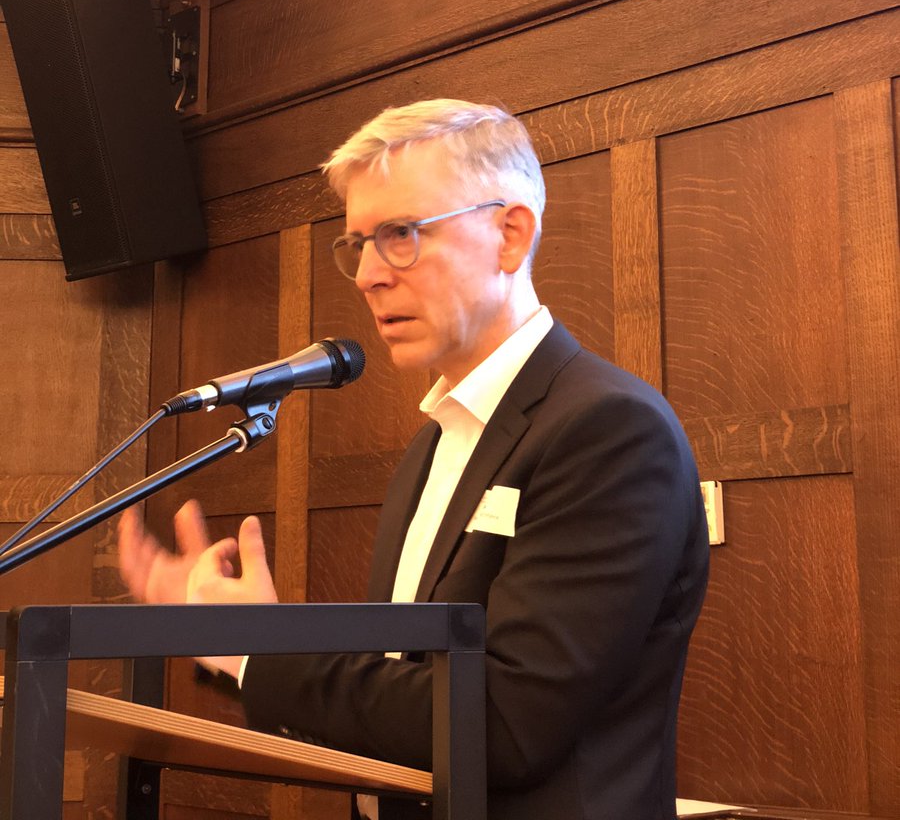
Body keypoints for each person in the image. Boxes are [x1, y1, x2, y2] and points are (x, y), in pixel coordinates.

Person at [119, 98, 709, 820]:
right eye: (358, 244)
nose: (368, 274)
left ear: (509, 235)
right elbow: (407, 686)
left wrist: (256, 652)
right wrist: (222, 637)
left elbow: (504, 724)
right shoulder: (436, 441)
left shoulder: (608, 431)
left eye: (400, 234)